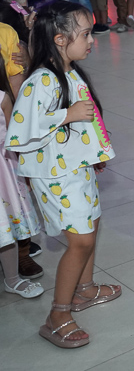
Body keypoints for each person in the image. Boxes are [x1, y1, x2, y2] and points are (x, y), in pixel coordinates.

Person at [5, 0, 120, 348]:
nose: (91, 41)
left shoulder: (70, 71)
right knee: (80, 240)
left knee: (92, 223)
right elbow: (22, 129)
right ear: (59, 39)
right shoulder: (41, 81)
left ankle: (84, 289)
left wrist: (96, 151)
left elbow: (85, 120)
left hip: (75, 167)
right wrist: (66, 115)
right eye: (85, 34)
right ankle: (57, 315)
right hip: (55, 175)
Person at [0, 63, 43, 300]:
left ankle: (12, 279)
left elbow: (14, 138)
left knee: (5, 226)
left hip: (3, 174)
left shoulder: (2, 98)